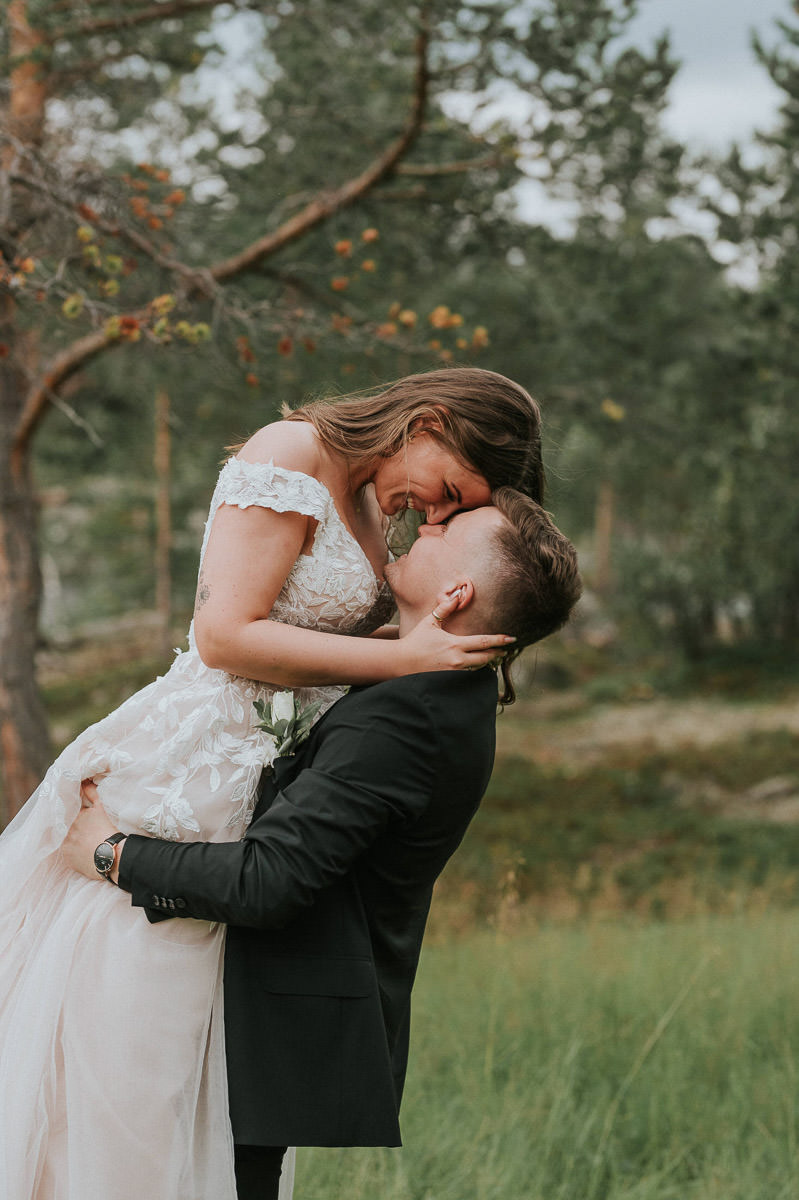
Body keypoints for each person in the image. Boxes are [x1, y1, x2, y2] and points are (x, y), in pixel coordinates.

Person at [0, 367, 543, 1200]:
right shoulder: (291, 450)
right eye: (449, 489)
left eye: (452, 513)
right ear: (428, 421)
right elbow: (222, 637)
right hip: (195, 764)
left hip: (255, 783)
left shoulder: (368, 497)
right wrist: (402, 661)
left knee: (196, 1066)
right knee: (123, 1042)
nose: (433, 512)